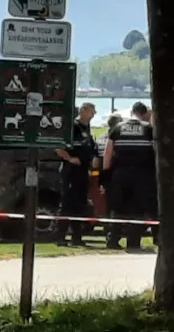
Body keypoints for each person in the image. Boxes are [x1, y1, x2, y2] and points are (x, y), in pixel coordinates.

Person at [102, 102, 156, 252]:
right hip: (142, 175)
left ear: (132, 112)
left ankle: (113, 239)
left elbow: (108, 153)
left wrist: (106, 175)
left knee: (118, 207)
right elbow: (156, 152)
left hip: (120, 174)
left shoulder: (118, 128)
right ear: (144, 114)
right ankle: (133, 241)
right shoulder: (149, 129)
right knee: (138, 209)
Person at [54, 103, 97, 247]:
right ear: (83, 111)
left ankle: (77, 236)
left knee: (80, 205)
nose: (94, 114)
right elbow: (58, 145)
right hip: (70, 171)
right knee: (67, 204)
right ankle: (60, 236)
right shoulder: (73, 127)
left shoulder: (87, 128)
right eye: (92, 111)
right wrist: (69, 158)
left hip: (83, 171)